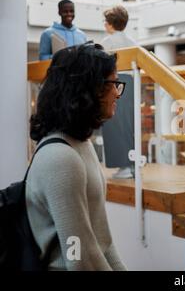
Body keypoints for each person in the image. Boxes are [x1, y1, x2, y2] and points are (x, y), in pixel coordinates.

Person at [27, 42, 127, 270]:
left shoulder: (81, 145)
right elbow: (79, 256)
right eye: (113, 83)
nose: (117, 93)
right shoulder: (61, 158)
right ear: (89, 89)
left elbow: (103, 242)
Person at [100, 5, 137, 179]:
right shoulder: (132, 42)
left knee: (113, 124)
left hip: (113, 84)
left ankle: (123, 166)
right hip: (130, 82)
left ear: (109, 24)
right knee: (129, 124)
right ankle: (132, 165)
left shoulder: (106, 42)